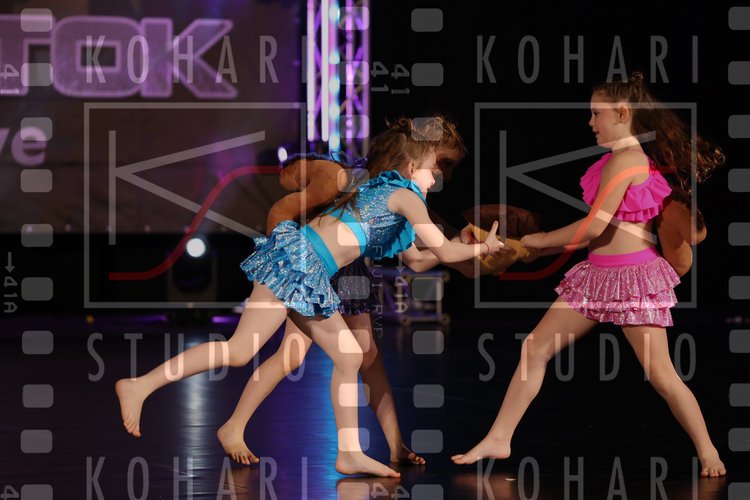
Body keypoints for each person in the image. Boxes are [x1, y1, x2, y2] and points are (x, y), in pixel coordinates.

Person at [116, 117, 505, 477]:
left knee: (252, 351)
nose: (438, 178)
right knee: (322, 354)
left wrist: (466, 246)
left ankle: (143, 386)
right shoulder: (405, 195)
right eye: (435, 168)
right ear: (412, 165)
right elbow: (445, 251)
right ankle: (347, 452)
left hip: (301, 262)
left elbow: (421, 259)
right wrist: (484, 247)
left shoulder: (388, 194)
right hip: (303, 263)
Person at [451, 72, 727, 478]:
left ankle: (708, 451)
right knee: (535, 349)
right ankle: (499, 437)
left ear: (623, 112)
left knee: (661, 374)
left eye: (597, 113)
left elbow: (593, 228)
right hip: (598, 275)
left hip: (633, 278)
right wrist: (533, 246)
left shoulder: (627, 160)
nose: (591, 122)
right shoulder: (617, 160)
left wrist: (537, 241)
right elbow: (600, 231)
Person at [218, 116, 471, 467]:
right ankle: (237, 425)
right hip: (321, 265)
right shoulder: (372, 181)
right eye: (441, 163)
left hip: (344, 269)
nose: (442, 174)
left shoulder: (401, 190)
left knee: (361, 356)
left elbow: (417, 253)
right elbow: (303, 192)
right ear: (416, 156)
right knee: (308, 355)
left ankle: (393, 445)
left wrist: (461, 245)